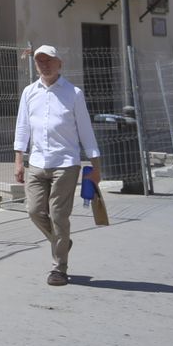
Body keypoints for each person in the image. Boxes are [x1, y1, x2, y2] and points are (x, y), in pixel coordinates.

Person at [13, 44, 103, 287]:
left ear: (59, 63)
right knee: (33, 211)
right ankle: (61, 241)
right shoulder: (29, 92)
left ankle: (59, 268)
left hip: (65, 163)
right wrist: (19, 160)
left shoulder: (73, 93)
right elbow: (22, 127)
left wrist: (95, 165)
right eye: (40, 61)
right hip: (37, 162)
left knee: (59, 215)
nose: (44, 64)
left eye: (49, 60)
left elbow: (85, 129)